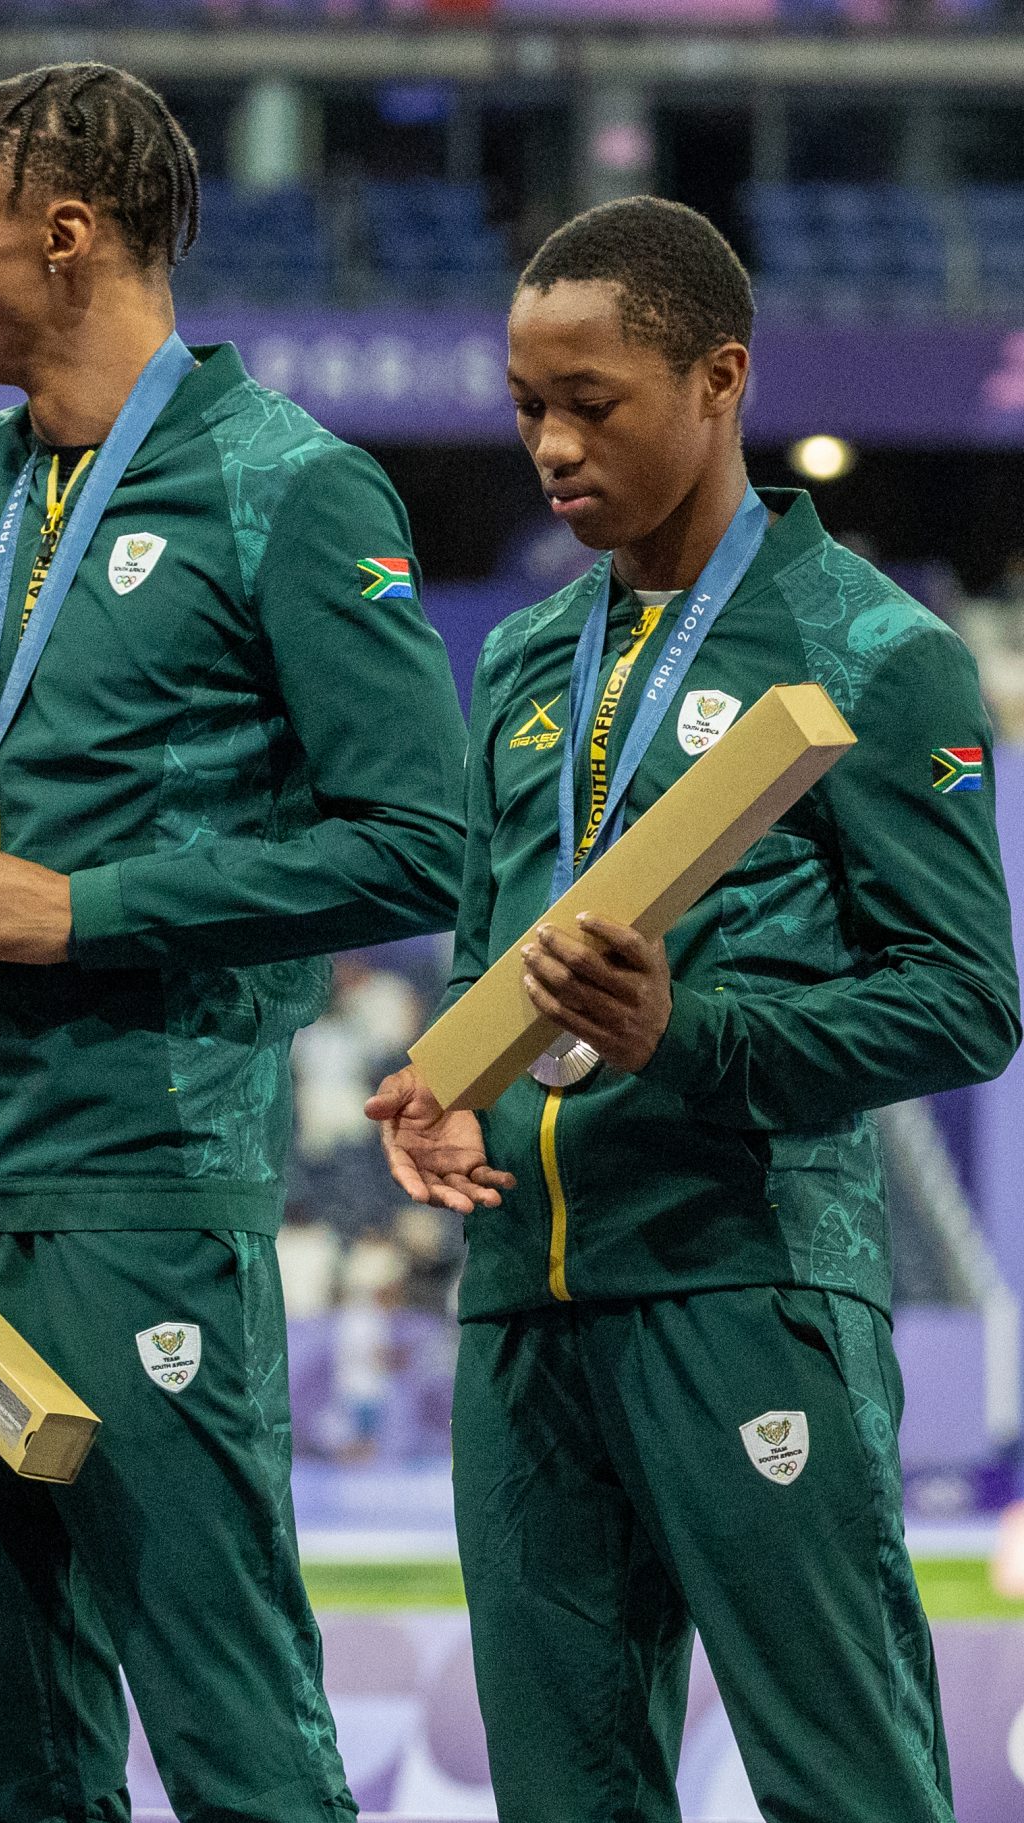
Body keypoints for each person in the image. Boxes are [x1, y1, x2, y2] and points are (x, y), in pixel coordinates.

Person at [0, 64, 470, 1823]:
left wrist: (88, 914)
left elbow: (417, 840)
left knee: (233, 1729)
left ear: (67, 235)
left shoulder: (291, 489)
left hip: (145, 1200)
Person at [367, 196, 1020, 1823]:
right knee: (563, 1793)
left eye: (595, 403)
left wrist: (694, 1035)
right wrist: (449, 1083)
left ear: (719, 379)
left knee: (844, 1779)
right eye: (528, 408)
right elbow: (481, 953)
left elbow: (967, 1002)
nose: (551, 446)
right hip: (524, 1302)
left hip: (748, 1285)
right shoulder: (520, 658)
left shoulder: (878, 654)